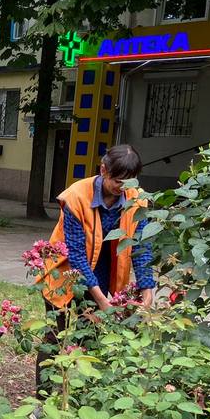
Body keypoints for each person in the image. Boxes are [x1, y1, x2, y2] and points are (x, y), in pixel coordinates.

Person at [36, 144, 155, 389]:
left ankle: (79, 398)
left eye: (129, 182)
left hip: (101, 276)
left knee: (89, 337)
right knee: (55, 340)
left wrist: (147, 291)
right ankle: (44, 400)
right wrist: (102, 300)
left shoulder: (136, 199)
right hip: (64, 276)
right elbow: (77, 255)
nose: (122, 188)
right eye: (117, 181)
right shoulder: (76, 196)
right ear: (103, 170)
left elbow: (141, 247)